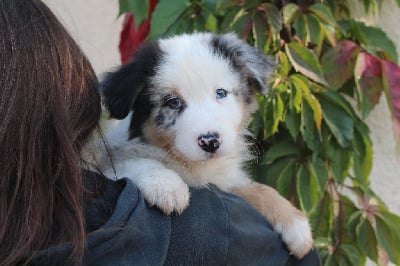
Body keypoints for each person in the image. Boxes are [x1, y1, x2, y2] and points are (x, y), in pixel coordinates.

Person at [0, 0, 321, 265]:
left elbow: (236, 187)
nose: (207, 128)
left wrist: (280, 211)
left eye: (222, 93)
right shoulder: (116, 163)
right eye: (172, 102)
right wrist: (151, 173)